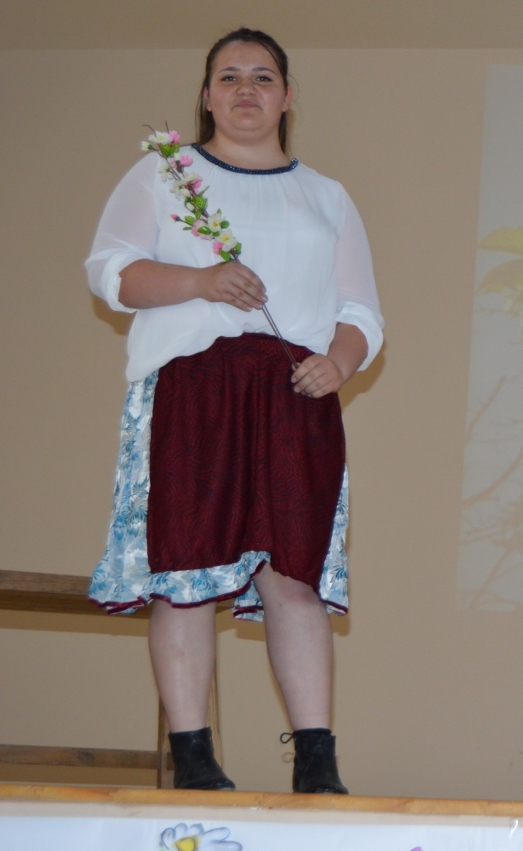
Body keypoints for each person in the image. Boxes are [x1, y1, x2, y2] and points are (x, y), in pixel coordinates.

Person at [86, 28, 383, 794]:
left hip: (295, 396)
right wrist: (200, 281)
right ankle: (195, 760)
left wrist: (339, 362)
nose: (246, 89)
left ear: (287, 97)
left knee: (294, 577)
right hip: (193, 391)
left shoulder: (326, 195)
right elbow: (110, 272)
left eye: (262, 77)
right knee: (185, 571)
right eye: (229, 77)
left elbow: (360, 311)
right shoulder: (165, 174)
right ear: (207, 96)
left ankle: (316, 765)